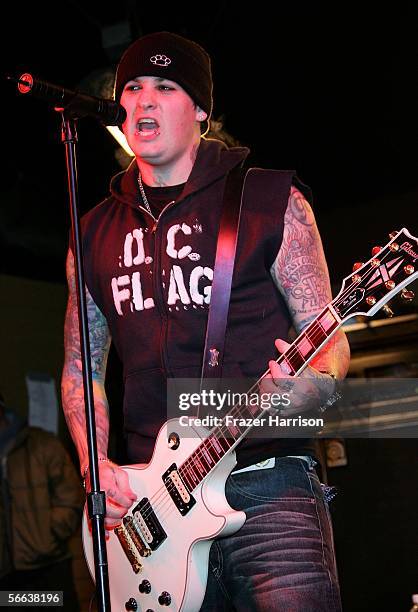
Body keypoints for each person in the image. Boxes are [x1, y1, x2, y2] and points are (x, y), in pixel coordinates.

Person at [61, 31, 350, 611]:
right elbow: (79, 367)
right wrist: (100, 470)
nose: (144, 100)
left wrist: (309, 389)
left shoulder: (271, 200)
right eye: (134, 88)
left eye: (165, 88)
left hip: (267, 482)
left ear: (200, 110)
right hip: (151, 506)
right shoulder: (92, 231)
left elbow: (330, 339)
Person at [0, 391, 84, 611]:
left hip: (47, 569)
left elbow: (72, 498)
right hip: (6, 578)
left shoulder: (42, 444)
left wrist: (48, 535)